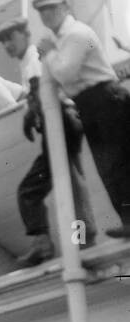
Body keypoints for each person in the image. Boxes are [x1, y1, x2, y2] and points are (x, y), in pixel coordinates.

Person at [0, 17, 98, 267]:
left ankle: (49, 246)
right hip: (60, 123)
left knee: (31, 190)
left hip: (60, 122)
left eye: (11, 37)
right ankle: (82, 242)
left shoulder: (33, 58)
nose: (8, 45)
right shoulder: (28, 61)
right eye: (4, 41)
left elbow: (42, 90)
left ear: (25, 34)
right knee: (71, 186)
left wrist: (31, 114)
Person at [34, 0, 130, 239]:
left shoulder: (78, 34)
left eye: (51, 8)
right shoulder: (60, 40)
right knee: (108, 167)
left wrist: (49, 53)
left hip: (106, 98)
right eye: (42, 10)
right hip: (90, 104)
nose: (47, 15)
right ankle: (128, 221)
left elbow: (66, 72)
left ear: (66, 7)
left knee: (119, 163)